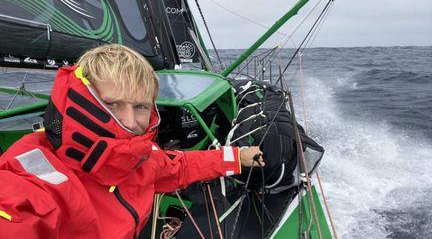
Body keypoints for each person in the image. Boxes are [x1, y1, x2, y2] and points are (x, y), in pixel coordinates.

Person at [0, 44, 264, 238]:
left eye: (140, 106)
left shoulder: (139, 156)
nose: (129, 122)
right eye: (112, 104)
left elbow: (176, 166)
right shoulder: (28, 182)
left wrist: (236, 157)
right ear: (79, 100)